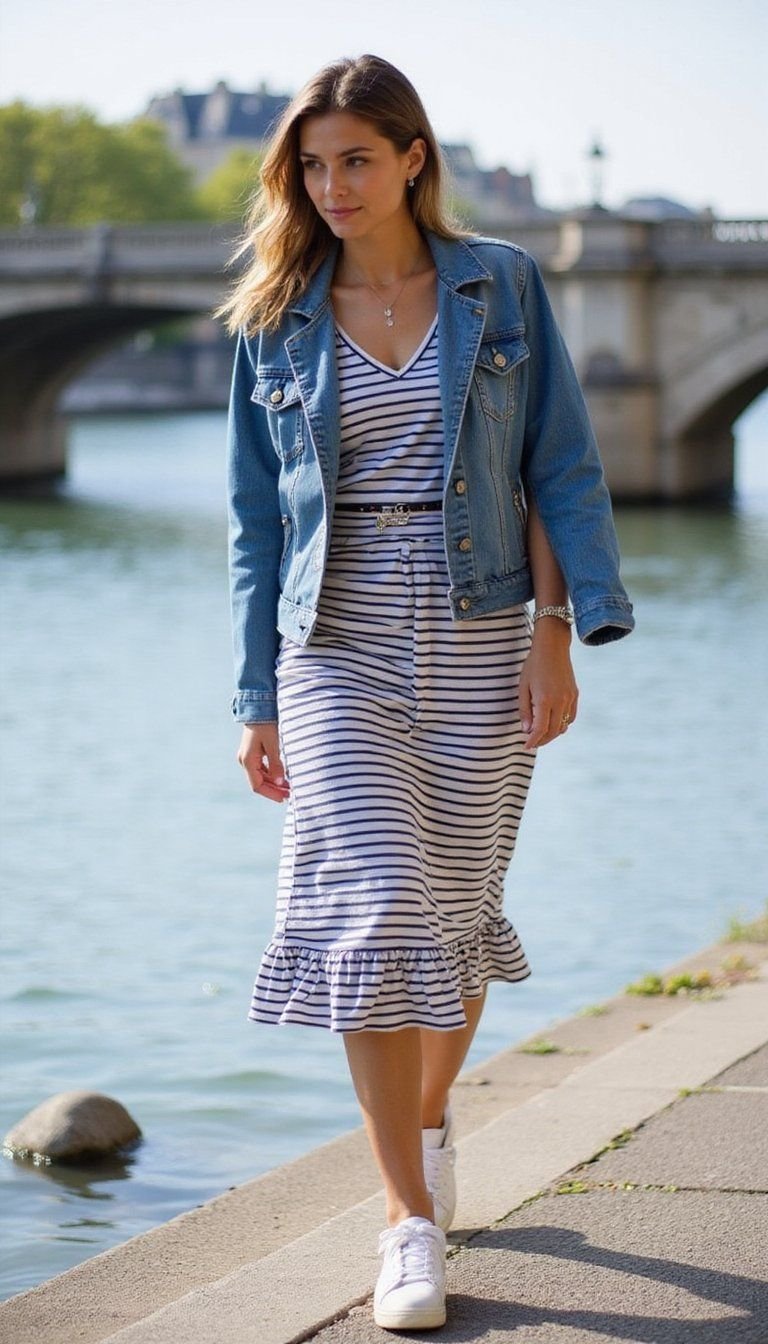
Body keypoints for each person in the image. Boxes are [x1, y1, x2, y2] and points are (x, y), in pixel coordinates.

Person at [218, 53, 634, 1332]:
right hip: (333, 636)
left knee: (454, 913)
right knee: (375, 910)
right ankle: (406, 1221)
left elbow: (559, 464)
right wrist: (255, 695)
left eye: (356, 159)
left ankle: (432, 1116)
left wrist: (557, 631)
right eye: (311, 165)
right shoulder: (275, 312)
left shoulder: (498, 284)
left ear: (412, 159)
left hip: (482, 622)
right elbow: (254, 522)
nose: (331, 186)